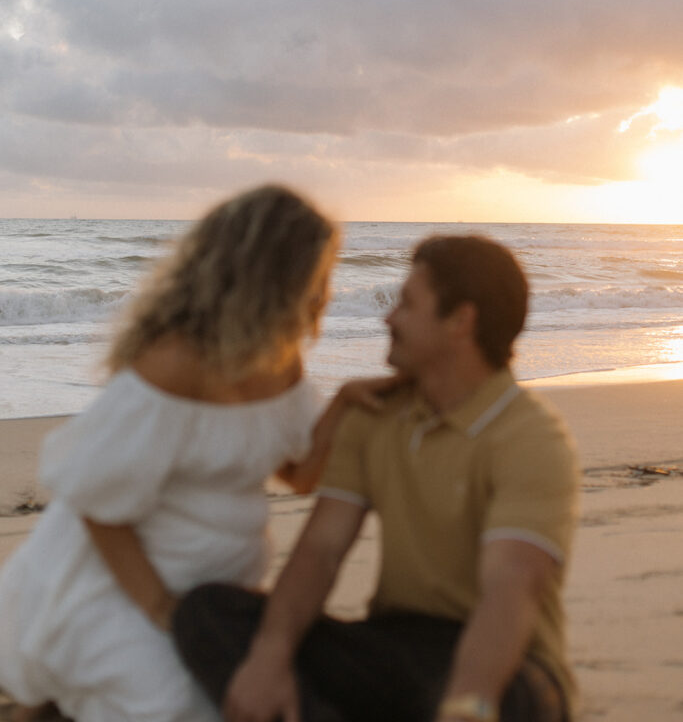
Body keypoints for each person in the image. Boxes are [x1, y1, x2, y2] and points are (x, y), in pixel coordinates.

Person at [0, 185, 393, 722]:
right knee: (171, 705)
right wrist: (161, 611)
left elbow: (300, 475)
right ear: (272, 275)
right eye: (318, 272)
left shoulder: (282, 360)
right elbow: (96, 504)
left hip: (216, 594)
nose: (324, 289)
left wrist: (345, 402)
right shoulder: (173, 364)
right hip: (128, 585)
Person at [173, 234, 580, 722]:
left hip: (509, 664)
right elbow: (321, 551)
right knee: (207, 614)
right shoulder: (374, 419)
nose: (388, 318)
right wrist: (270, 657)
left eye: (407, 304)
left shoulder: (531, 437)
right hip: (395, 644)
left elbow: (511, 589)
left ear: (460, 321)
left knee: (506, 702)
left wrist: (468, 705)